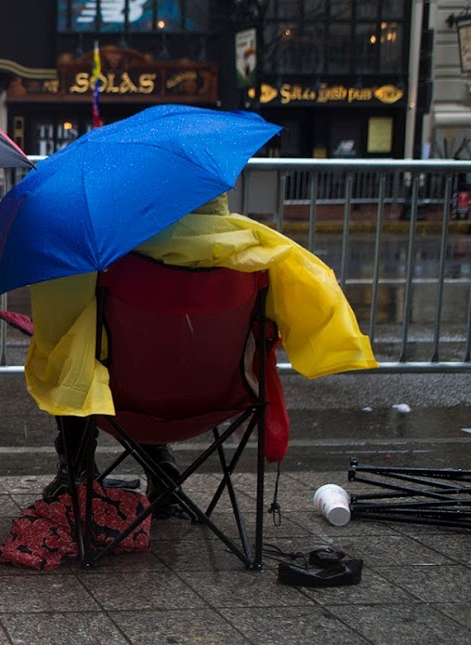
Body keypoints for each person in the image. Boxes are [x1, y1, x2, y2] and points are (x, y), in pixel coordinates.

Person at [26, 193, 377, 515]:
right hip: (220, 398)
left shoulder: (110, 251)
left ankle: (77, 476)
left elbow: (56, 328)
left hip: (123, 400)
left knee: (74, 352)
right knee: (156, 357)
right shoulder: (258, 251)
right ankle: (163, 471)